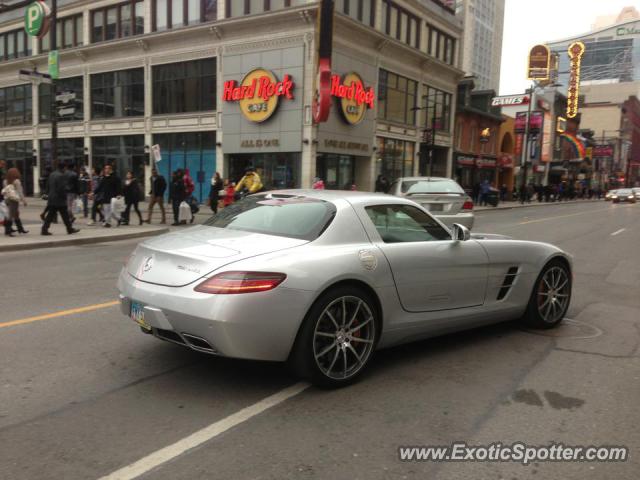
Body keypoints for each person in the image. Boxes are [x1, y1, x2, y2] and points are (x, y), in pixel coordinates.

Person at [41, 163, 80, 236]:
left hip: (52, 197)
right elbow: (61, 188)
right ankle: (69, 229)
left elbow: (48, 185)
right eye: (65, 168)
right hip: (59, 199)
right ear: (64, 168)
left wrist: (48, 194)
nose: (66, 170)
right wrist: (64, 196)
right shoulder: (61, 176)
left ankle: (44, 229)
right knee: (63, 215)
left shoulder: (52, 174)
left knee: (52, 215)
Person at [2, 167, 28, 236]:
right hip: (14, 200)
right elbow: (20, 192)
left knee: (15, 214)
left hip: (7, 199)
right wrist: (24, 201)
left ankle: (20, 229)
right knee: (10, 215)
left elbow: (5, 190)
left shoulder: (5, 181)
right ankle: (8, 231)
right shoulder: (17, 181)